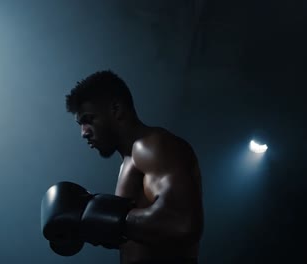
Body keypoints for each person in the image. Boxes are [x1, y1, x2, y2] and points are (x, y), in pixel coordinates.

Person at [41, 70, 204, 264]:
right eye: (80, 124)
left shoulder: (151, 147)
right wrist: (86, 226)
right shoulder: (129, 161)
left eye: (88, 119)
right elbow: (139, 237)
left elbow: (181, 224)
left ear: (116, 109)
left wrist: (100, 215)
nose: (83, 133)